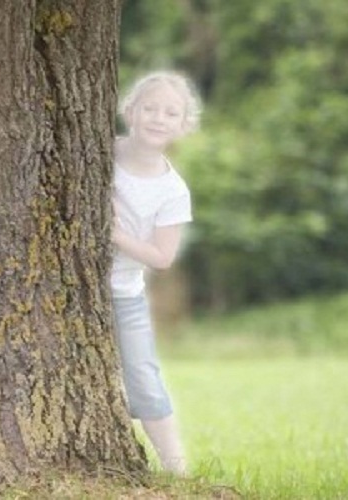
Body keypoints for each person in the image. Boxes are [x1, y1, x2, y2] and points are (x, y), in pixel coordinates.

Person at [110, 71, 201, 475]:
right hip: (69, 291)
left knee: (143, 377)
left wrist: (114, 235)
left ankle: (177, 468)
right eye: (149, 107)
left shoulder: (171, 191)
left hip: (122, 293)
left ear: (184, 125)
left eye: (170, 112)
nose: (158, 118)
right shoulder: (102, 153)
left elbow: (162, 257)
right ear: (130, 111)